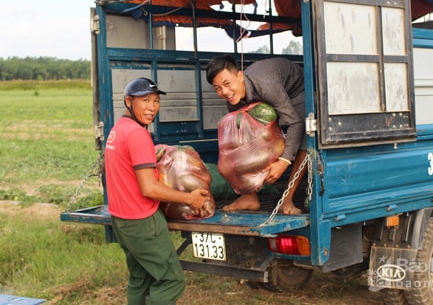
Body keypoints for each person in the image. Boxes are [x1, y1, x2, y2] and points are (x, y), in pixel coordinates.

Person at [104, 77, 209, 305]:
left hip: (121, 220)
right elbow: (149, 188)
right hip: (142, 222)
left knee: (140, 278)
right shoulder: (137, 134)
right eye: (145, 101)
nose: (152, 107)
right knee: (172, 281)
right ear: (129, 102)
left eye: (155, 101)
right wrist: (189, 198)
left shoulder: (117, 130)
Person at [206, 55, 307, 215]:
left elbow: (295, 123)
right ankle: (249, 197)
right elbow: (240, 137)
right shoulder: (232, 97)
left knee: (305, 136)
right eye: (217, 88)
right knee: (242, 141)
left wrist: (284, 161)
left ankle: (287, 199)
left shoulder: (267, 86)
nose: (224, 92)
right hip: (268, 94)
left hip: (296, 90)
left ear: (240, 76)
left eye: (227, 84)